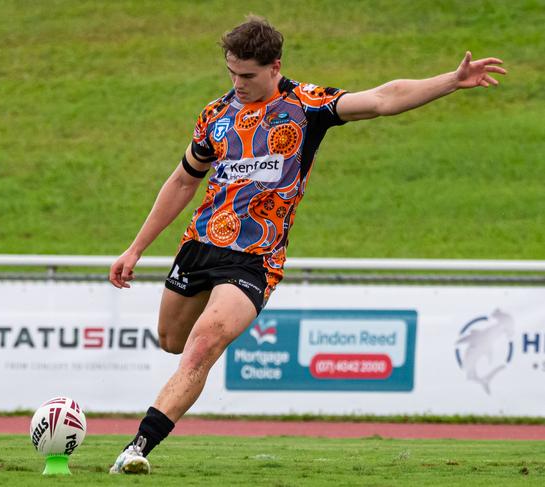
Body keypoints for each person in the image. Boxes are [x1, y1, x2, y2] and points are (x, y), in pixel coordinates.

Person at [107, 16, 506, 474]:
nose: (238, 84)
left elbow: (381, 99)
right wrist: (135, 248)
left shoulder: (307, 105)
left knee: (204, 343)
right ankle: (152, 421)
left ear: (275, 66)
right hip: (200, 244)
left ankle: (137, 448)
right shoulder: (216, 115)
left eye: (248, 76)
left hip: (256, 259)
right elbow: (182, 181)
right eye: (232, 73)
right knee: (172, 341)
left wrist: (450, 82)